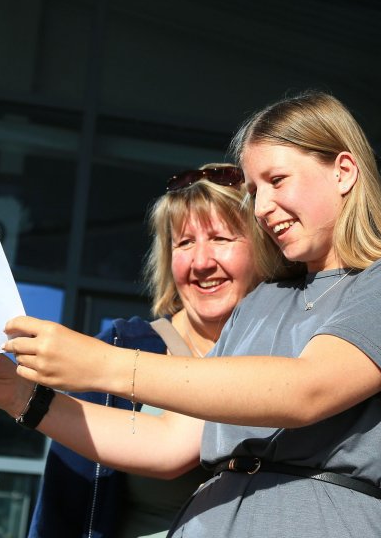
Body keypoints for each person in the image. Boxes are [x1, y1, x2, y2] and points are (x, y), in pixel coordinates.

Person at [0, 92, 381, 538]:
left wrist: (102, 364)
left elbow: (308, 389)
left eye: (278, 180)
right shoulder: (261, 300)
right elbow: (171, 443)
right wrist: (19, 395)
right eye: (255, 192)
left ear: (344, 171)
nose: (262, 207)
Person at [27, 163, 270, 537]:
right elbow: (61, 511)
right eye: (185, 243)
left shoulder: (295, 346)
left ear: (263, 247)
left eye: (221, 238)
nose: (201, 262)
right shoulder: (118, 350)